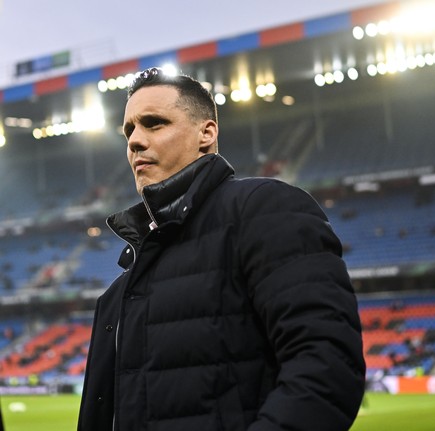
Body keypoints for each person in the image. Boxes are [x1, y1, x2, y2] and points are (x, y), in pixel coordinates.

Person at [77, 67, 366, 431]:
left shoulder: (264, 210)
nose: (134, 140)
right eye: (129, 130)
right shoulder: (119, 292)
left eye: (154, 123)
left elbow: (326, 369)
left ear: (206, 133)